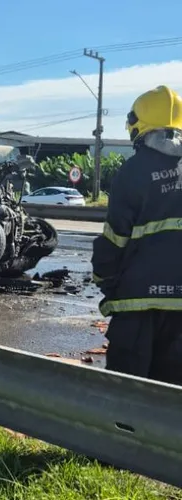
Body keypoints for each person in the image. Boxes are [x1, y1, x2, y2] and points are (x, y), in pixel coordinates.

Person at [92, 85, 182, 385]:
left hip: (136, 308)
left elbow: (114, 238)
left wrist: (105, 279)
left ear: (138, 125)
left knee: (126, 400)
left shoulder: (133, 172)